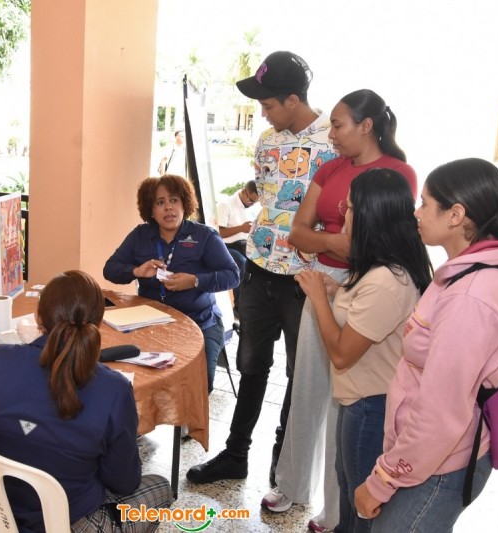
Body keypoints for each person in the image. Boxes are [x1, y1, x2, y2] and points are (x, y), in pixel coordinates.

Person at [265, 89, 417, 533]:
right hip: (326, 281)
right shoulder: (331, 167)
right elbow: (297, 232)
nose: (330, 133)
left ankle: (335, 511)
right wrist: (339, 243)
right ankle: (291, 483)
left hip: (364, 286)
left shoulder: (397, 173)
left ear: (366, 126)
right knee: (307, 388)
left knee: (346, 399)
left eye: (337, 124)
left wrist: (326, 243)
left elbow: (379, 241)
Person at [355, 158, 498, 531]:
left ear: (455, 215)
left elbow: (441, 412)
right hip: (430, 457)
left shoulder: (470, 296)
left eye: (424, 203)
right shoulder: (467, 273)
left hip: (441, 464)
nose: (416, 213)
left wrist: (382, 481)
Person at [186, 51, 334, 486]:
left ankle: (283, 463)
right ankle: (236, 455)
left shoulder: (334, 140)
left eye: (268, 104)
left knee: (299, 375)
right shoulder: (268, 141)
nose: (263, 113)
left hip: (305, 280)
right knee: (251, 366)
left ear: (293, 100)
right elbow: (268, 198)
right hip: (259, 269)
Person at [0, 270, 172, 532]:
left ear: (38, 317)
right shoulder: (114, 390)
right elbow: (124, 483)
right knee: (161, 487)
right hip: (73, 521)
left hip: (2, 515)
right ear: (98, 323)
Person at [294, 170, 432, 533]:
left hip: (372, 404)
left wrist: (318, 299)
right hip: (360, 397)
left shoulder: (388, 279)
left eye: (351, 207)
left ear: (371, 215)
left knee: (360, 499)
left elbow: (342, 354)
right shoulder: (380, 267)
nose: (344, 212)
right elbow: (365, 314)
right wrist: (337, 291)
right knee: (347, 482)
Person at [103, 174, 239, 393]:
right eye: (160, 202)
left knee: (200, 382)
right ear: (151, 210)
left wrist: (195, 281)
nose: (168, 208)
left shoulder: (204, 236)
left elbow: (232, 275)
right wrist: (136, 271)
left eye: (174, 200)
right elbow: (110, 269)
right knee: (135, 378)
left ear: (185, 204)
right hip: (149, 323)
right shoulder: (140, 235)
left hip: (201, 322)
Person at [216, 180, 260, 319]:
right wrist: (241, 228)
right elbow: (219, 232)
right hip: (226, 246)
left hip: (245, 244)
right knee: (241, 264)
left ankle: (254, 306)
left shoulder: (252, 208)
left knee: (259, 264)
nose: (251, 204)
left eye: (255, 202)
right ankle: (239, 308)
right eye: (250, 200)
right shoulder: (225, 204)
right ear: (243, 191)